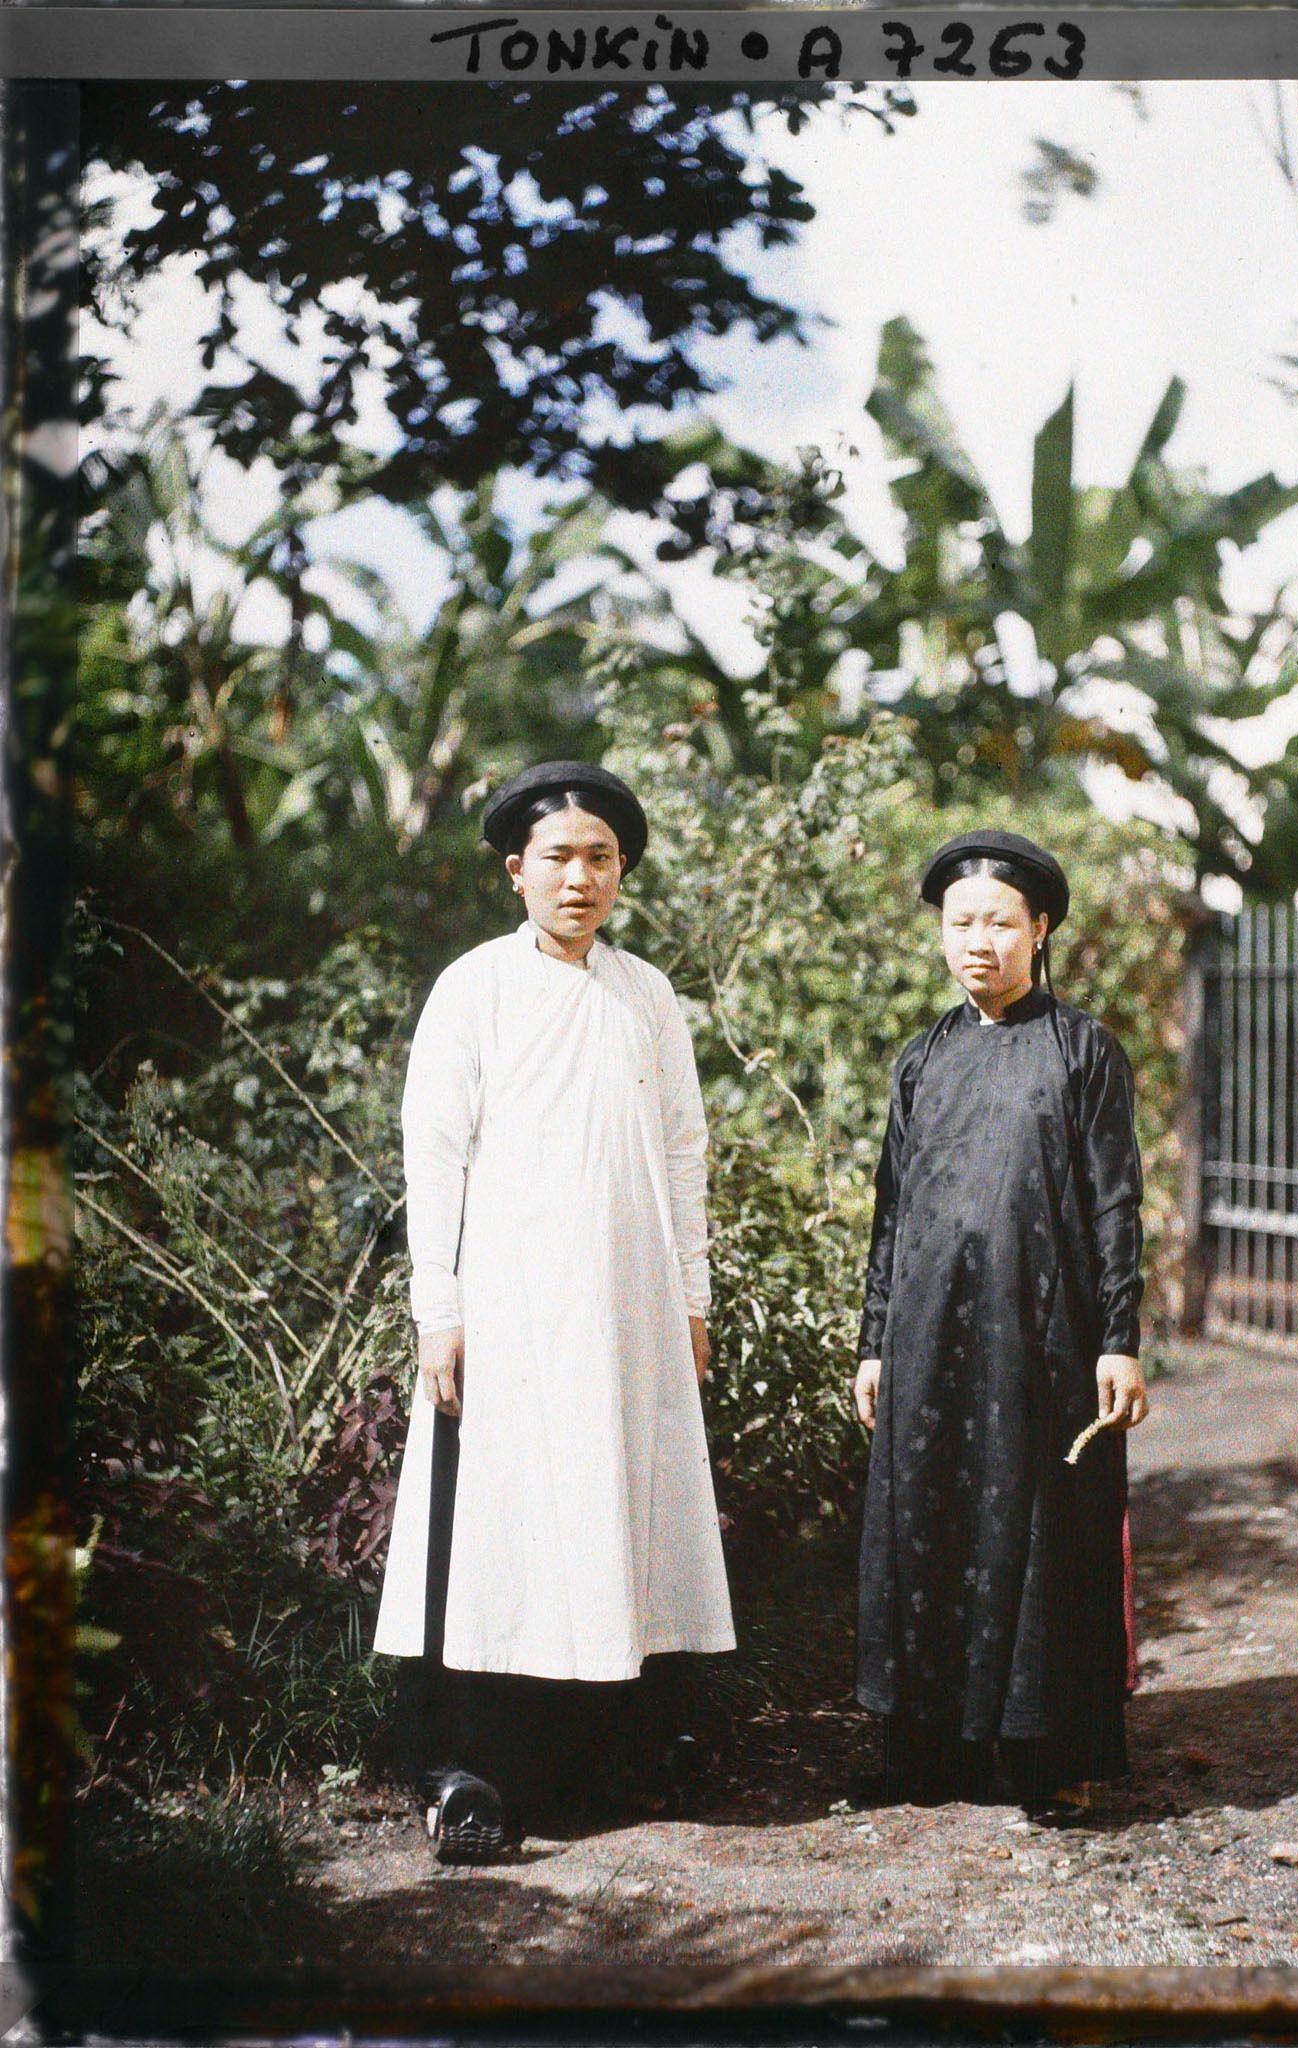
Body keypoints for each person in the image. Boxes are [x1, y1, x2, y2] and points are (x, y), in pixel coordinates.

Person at [373, 761, 735, 1860]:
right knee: (506, 1526)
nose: (578, 879)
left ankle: (618, 1754)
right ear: (513, 872)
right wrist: (440, 1308)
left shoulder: (648, 994)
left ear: (621, 872)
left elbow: (683, 1149)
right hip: (513, 1308)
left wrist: (691, 1295)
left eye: (600, 858)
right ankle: (474, 1772)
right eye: (557, 857)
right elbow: (433, 1154)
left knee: (618, 1510)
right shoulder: (472, 989)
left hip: (629, 1309)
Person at [852, 829, 1149, 1818]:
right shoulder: (922, 1057)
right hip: (929, 1340)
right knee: (927, 1524)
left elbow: (1114, 1202)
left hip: (1044, 1341)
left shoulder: (1081, 1049)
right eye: (960, 921)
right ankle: (924, 1751)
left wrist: (1118, 1336)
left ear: (1041, 928)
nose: (978, 940)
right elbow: (892, 1210)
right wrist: (873, 1339)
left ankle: (1040, 1759)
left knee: (1037, 1533)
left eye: (999, 921)